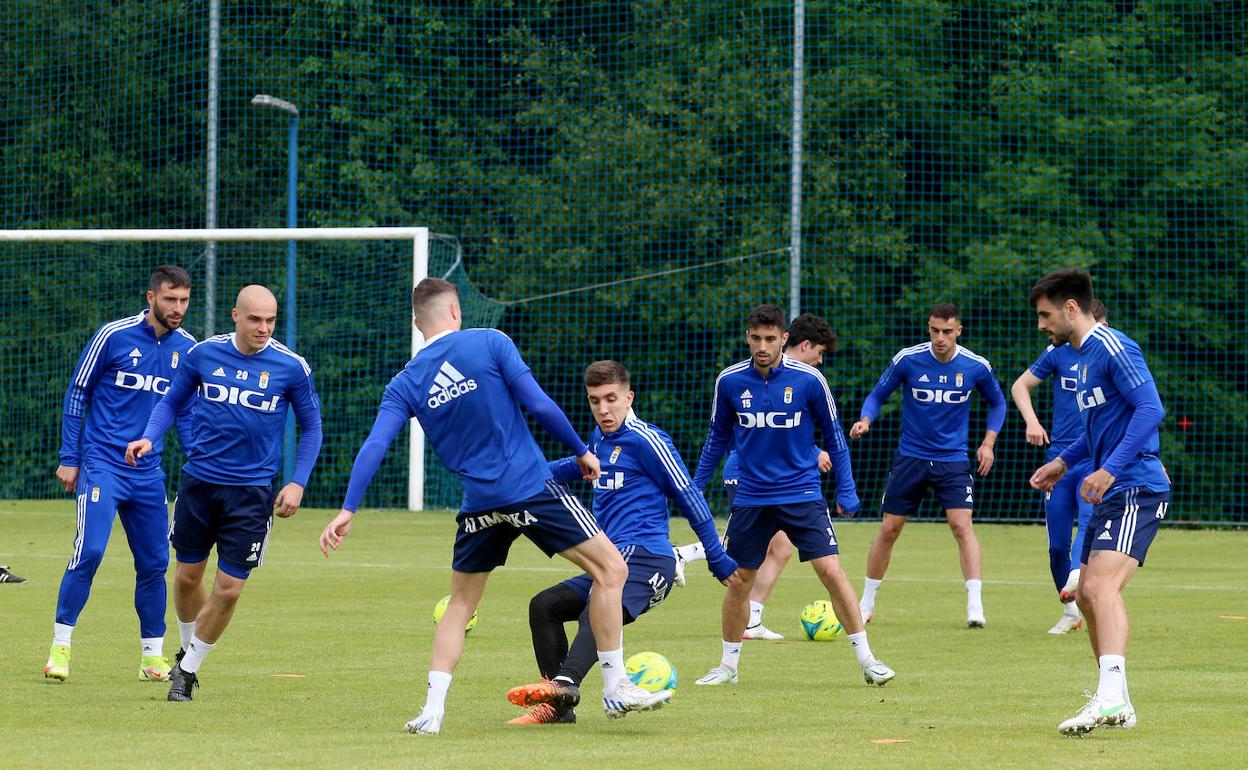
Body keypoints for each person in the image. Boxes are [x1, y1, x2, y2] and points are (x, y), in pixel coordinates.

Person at [317, 278, 669, 736]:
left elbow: (375, 444)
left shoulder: (404, 382)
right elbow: (539, 404)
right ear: (456, 311)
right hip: (529, 488)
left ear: (417, 323)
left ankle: (431, 712)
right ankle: (615, 685)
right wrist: (582, 450)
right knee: (612, 570)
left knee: (461, 604)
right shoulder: (490, 341)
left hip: (478, 506)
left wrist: (348, 508)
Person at [506, 360, 740, 725]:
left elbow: (689, 496)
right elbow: (574, 467)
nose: (603, 409)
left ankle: (565, 685)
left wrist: (716, 555)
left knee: (596, 606)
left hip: (648, 559)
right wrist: (521, 476)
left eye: (611, 399)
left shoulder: (648, 441)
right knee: (544, 606)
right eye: (595, 400)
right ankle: (558, 710)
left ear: (629, 397)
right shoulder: (599, 439)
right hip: (613, 559)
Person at [125, 284, 323, 702]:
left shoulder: (291, 367)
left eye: (270, 320)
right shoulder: (204, 354)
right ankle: (186, 648)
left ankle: (187, 670)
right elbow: (170, 402)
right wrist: (148, 436)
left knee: (230, 588)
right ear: (235, 316)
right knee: (186, 576)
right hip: (199, 484)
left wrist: (298, 481)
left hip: (251, 494)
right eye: (255, 320)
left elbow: (312, 427)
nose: (264, 328)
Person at [691, 304, 894, 688]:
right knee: (739, 581)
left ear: (784, 338)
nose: (762, 346)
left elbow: (834, 436)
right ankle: (728, 667)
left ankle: (868, 660)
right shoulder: (729, 381)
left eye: (770, 338)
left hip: (801, 493)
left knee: (831, 572)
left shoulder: (810, 380)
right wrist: (696, 485)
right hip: (751, 497)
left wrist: (847, 488)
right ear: (747, 337)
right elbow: (717, 437)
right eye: (756, 338)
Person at [1027, 268, 1167, 735]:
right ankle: (1118, 703)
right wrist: (1062, 462)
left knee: (1101, 588)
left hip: (1135, 486)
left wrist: (1109, 469)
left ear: (1071, 308)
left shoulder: (1112, 346)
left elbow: (1151, 409)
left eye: (1046, 315)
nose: (1041, 325)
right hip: (1113, 488)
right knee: (1086, 594)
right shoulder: (1081, 357)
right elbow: (1099, 431)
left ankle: (1108, 700)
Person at [45, 266, 196, 683]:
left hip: (148, 473)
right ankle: (60, 647)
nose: (178, 308)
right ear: (151, 297)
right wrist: (69, 457)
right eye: (170, 299)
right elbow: (78, 393)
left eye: (184, 300)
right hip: (102, 464)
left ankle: (152, 657)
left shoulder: (188, 349)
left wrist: (198, 460)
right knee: (90, 551)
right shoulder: (114, 335)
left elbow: (185, 412)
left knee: (154, 563)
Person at [673, 312, 837, 641]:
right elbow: (766, 433)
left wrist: (812, 450)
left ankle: (753, 617)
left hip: (775, 479)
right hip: (747, 473)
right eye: (820, 353)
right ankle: (684, 554)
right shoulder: (752, 378)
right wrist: (813, 453)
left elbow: (788, 433)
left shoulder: (799, 379)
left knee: (781, 549)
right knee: (749, 545)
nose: (820, 361)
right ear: (805, 345)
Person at [850, 303, 1006, 628]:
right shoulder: (908, 360)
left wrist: (988, 443)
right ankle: (866, 603)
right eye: (934, 330)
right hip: (911, 457)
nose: (940, 337)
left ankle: (975, 605)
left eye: (947, 331)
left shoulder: (975, 366)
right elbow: (877, 395)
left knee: (962, 525)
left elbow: (998, 403)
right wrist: (866, 419)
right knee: (889, 528)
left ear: (958, 330)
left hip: (952, 459)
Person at [1011, 299, 1108, 634]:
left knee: (1089, 522)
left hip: (1096, 458)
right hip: (1060, 460)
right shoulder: (1058, 353)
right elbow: (1019, 386)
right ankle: (1070, 611)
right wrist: (1032, 421)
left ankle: (1078, 579)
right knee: (1056, 546)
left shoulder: (1111, 357)